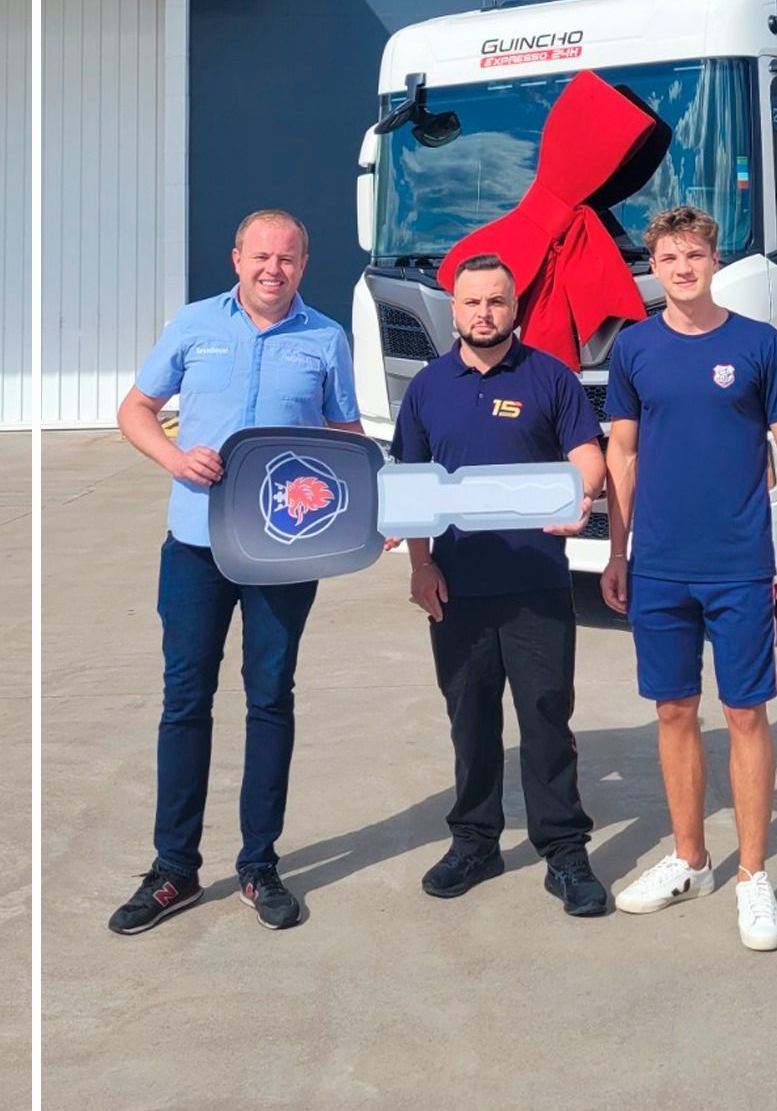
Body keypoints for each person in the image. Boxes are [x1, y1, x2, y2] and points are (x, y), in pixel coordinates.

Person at [108, 210, 363, 935]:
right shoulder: (193, 326)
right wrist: (173, 457)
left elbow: (345, 434)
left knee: (270, 697)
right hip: (195, 545)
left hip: (285, 553)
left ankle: (259, 865)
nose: (273, 269)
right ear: (237, 259)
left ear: (304, 265)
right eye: (261, 256)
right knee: (185, 699)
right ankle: (174, 870)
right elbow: (136, 409)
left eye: (287, 258)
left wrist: (365, 514)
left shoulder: (325, 338)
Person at [600, 205, 777, 952]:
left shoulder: (755, 344)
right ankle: (690, 860)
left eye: (694, 255)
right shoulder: (635, 347)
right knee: (672, 711)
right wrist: (618, 551)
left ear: (714, 261)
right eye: (669, 258)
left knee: (745, 714)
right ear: (654, 267)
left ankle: (753, 875)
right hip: (659, 565)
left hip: (738, 565)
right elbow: (622, 454)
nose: (683, 268)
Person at [391, 253, 609, 917]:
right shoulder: (428, 387)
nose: (484, 313)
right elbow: (410, 485)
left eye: (496, 301)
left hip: (535, 582)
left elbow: (588, 456)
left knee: (545, 716)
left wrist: (583, 493)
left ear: (515, 308)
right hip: (457, 585)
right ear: (453, 310)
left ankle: (564, 851)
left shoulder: (551, 377)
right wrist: (420, 566)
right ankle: (475, 841)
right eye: (472, 302)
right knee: (470, 718)